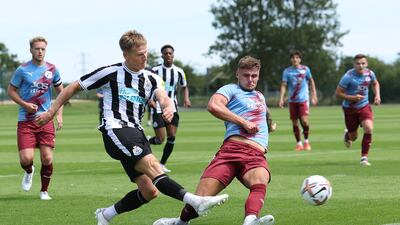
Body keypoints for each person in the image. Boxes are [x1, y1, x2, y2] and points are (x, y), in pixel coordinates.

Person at [35, 30, 228, 225]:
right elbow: (73, 87)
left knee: (149, 191)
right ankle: (195, 201)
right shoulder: (110, 73)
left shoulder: (151, 78)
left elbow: (163, 97)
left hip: (137, 132)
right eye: (139, 54)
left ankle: (105, 215)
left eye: (146, 53)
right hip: (116, 129)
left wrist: (168, 107)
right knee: (154, 166)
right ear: (126, 55)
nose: (145, 57)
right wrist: (51, 112)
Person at [153, 56, 275, 225]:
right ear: (237, 74)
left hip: (255, 154)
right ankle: (179, 222)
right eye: (246, 75)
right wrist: (243, 122)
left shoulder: (260, 96)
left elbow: (264, 114)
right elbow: (213, 106)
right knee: (200, 199)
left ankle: (250, 220)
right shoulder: (230, 89)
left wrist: (270, 124)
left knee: (260, 181)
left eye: (254, 75)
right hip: (231, 151)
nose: (250, 79)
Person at [7, 36, 64, 200]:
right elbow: (11, 91)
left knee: (47, 158)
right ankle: (29, 171)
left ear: (46, 50)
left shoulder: (52, 70)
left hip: (45, 120)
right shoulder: (22, 70)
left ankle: (44, 191)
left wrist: (58, 115)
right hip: (26, 121)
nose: (40, 52)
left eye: (43, 49)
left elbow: (63, 94)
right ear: (30, 50)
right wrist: (24, 104)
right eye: (37, 48)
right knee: (26, 159)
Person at [147, 44, 191, 173]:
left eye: (170, 53)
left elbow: (184, 86)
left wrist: (186, 98)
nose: (168, 55)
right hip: (157, 108)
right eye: (165, 53)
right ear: (162, 55)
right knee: (160, 140)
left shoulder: (179, 71)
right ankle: (148, 141)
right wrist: (150, 99)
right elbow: (147, 85)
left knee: (171, 137)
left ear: (173, 55)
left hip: (173, 108)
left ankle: (162, 164)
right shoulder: (155, 70)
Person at [335, 54, 381, 166]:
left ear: (367, 64)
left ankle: (364, 157)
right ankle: (348, 135)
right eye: (358, 63)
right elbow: (338, 93)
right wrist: (352, 98)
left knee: (369, 128)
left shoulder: (370, 73)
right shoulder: (348, 76)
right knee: (353, 137)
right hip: (350, 109)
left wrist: (377, 95)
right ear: (354, 65)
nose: (361, 66)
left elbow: (375, 83)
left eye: (363, 63)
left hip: (364, 106)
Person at [278, 50, 318, 151]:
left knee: (304, 121)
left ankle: (306, 141)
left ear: (300, 59)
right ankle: (299, 144)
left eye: (297, 57)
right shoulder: (287, 71)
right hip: (292, 101)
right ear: (290, 59)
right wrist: (281, 98)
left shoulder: (305, 69)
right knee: (295, 123)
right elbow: (283, 85)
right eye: (293, 58)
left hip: (303, 100)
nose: (295, 59)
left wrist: (314, 95)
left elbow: (311, 81)